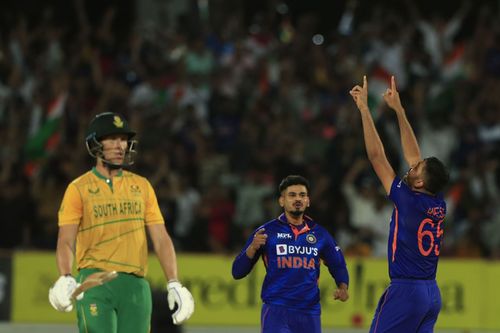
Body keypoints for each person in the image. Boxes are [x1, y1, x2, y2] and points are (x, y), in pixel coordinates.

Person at [48, 112, 194, 332]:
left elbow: (161, 238)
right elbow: (66, 240)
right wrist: (65, 276)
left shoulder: (142, 186)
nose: (120, 146)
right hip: (95, 281)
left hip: (136, 285)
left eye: (123, 139)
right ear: (95, 143)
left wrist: (174, 282)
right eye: (112, 138)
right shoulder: (78, 189)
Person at [350, 76, 449, 332]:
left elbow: (376, 157)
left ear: (418, 184)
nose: (412, 166)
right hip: (431, 293)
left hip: (407, 292)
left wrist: (364, 108)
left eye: (417, 169)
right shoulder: (437, 202)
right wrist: (399, 110)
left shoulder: (407, 200)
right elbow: (414, 156)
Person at [232, 175, 349, 333]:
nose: (298, 199)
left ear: (308, 201)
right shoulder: (266, 232)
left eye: (302, 195)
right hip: (276, 309)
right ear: (282, 201)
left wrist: (343, 286)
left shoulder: (320, 234)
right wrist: (252, 248)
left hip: (309, 311)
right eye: (292, 195)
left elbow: (338, 264)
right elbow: (237, 272)